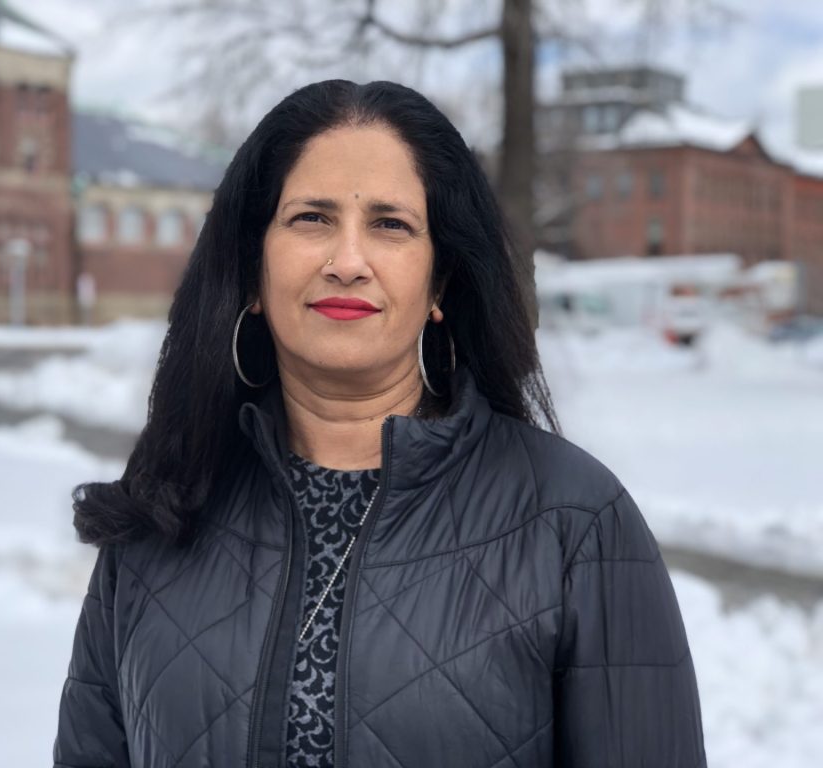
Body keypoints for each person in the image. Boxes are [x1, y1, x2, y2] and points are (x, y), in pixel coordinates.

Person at [53, 80, 706, 768]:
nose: (347, 262)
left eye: (391, 224)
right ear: (252, 267)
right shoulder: (163, 511)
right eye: (312, 218)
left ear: (440, 283)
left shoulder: (573, 523)